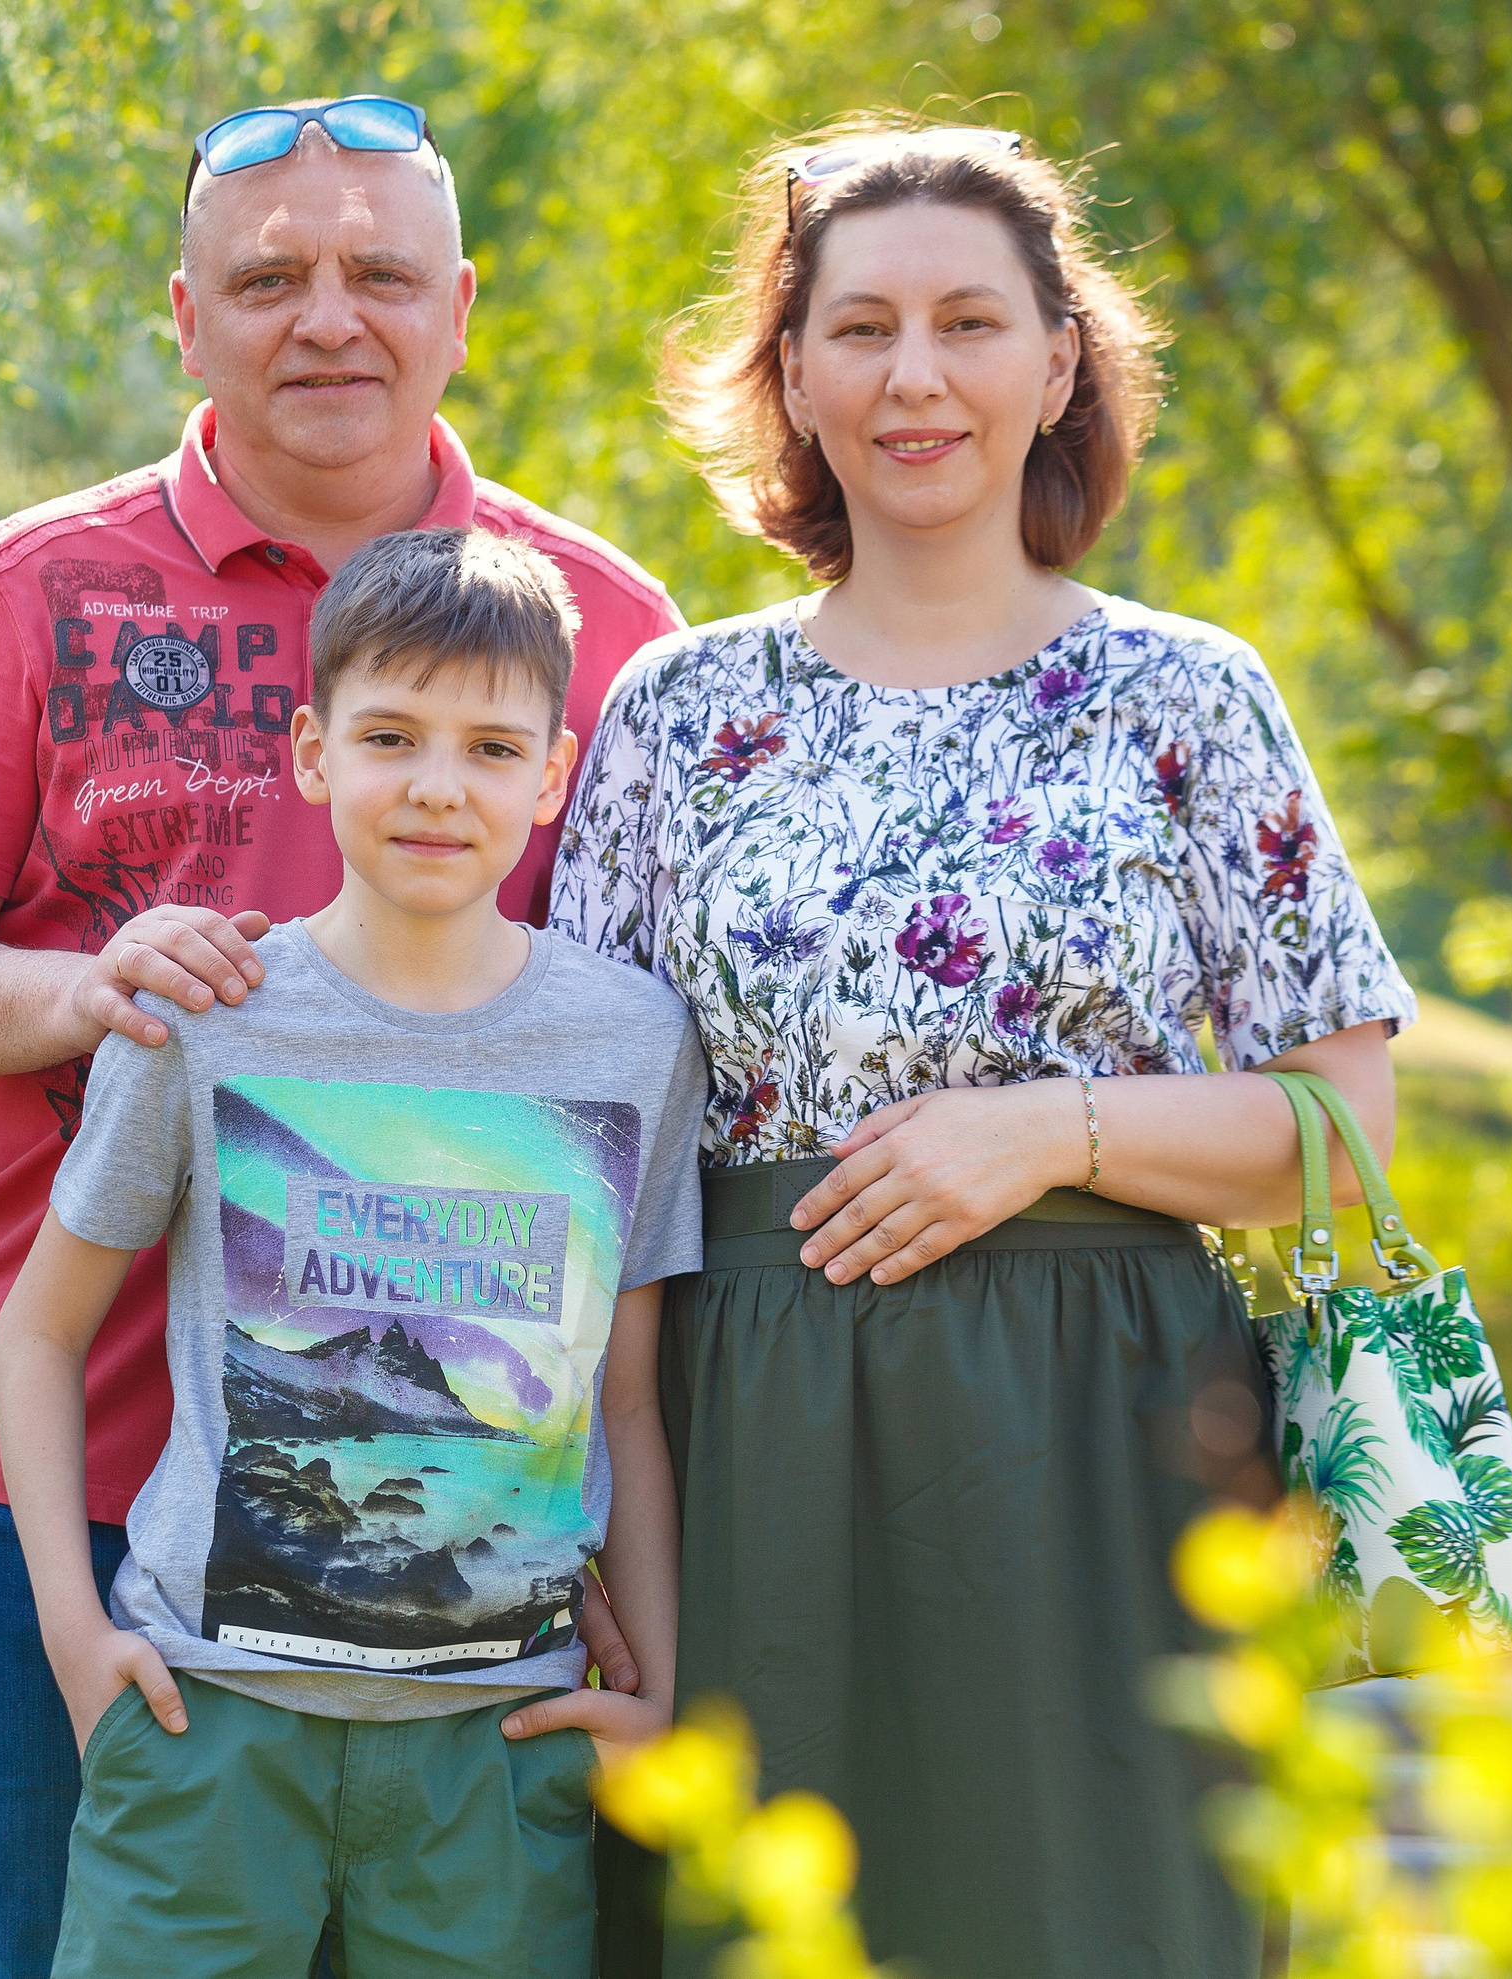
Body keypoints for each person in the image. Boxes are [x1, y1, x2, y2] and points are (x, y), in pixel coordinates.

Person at [0, 98, 680, 1979]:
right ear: (186, 318)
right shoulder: (37, 587)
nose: (328, 320)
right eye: (269, 279)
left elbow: (658, 1061)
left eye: (378, 274)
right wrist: (91, 990)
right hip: (115, 1471)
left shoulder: (612, 632)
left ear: (462, 306)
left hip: (476, 1517)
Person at [550, 116, 1421, 1977]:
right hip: (748, 1430)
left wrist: (1050, 1134)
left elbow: (1347, 1120)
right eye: (859, 330)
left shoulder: (1188, 693)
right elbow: (583, 1159)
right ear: (791, 377)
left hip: (1110, 1430)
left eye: (968, 321)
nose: (915, 376)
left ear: (1058, 362)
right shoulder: (674, 713)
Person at [0, 527, 700, 1977]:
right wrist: (74, 1633)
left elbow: (626, 1396)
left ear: (555, 776)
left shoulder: (632, 1042)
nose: (440, 787)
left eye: (493, 750)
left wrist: (663, 1691)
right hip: (210, 1719)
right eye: (392, 737)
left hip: (495, 1742)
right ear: (314, 753)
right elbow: (38, 1334)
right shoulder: (211, 1012)